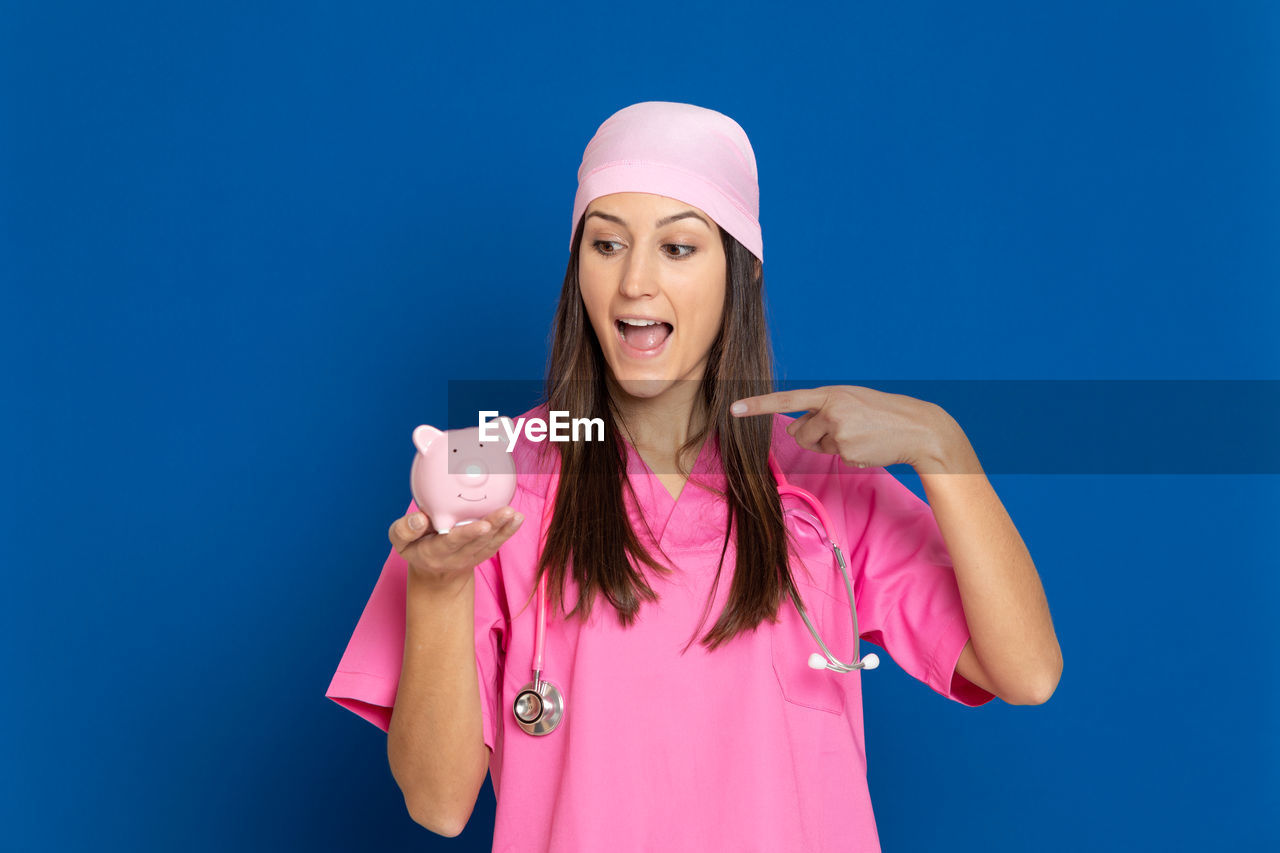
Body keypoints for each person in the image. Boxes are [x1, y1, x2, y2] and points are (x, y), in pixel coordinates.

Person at [325, 101, 1062, 852]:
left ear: (739, 271)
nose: (635, 282)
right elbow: (437, 802)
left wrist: (943, 446)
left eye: (678, 248)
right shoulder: (491, 478)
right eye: (606, 244)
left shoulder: (821, 484)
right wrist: (440, 586)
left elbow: (1028, 672)